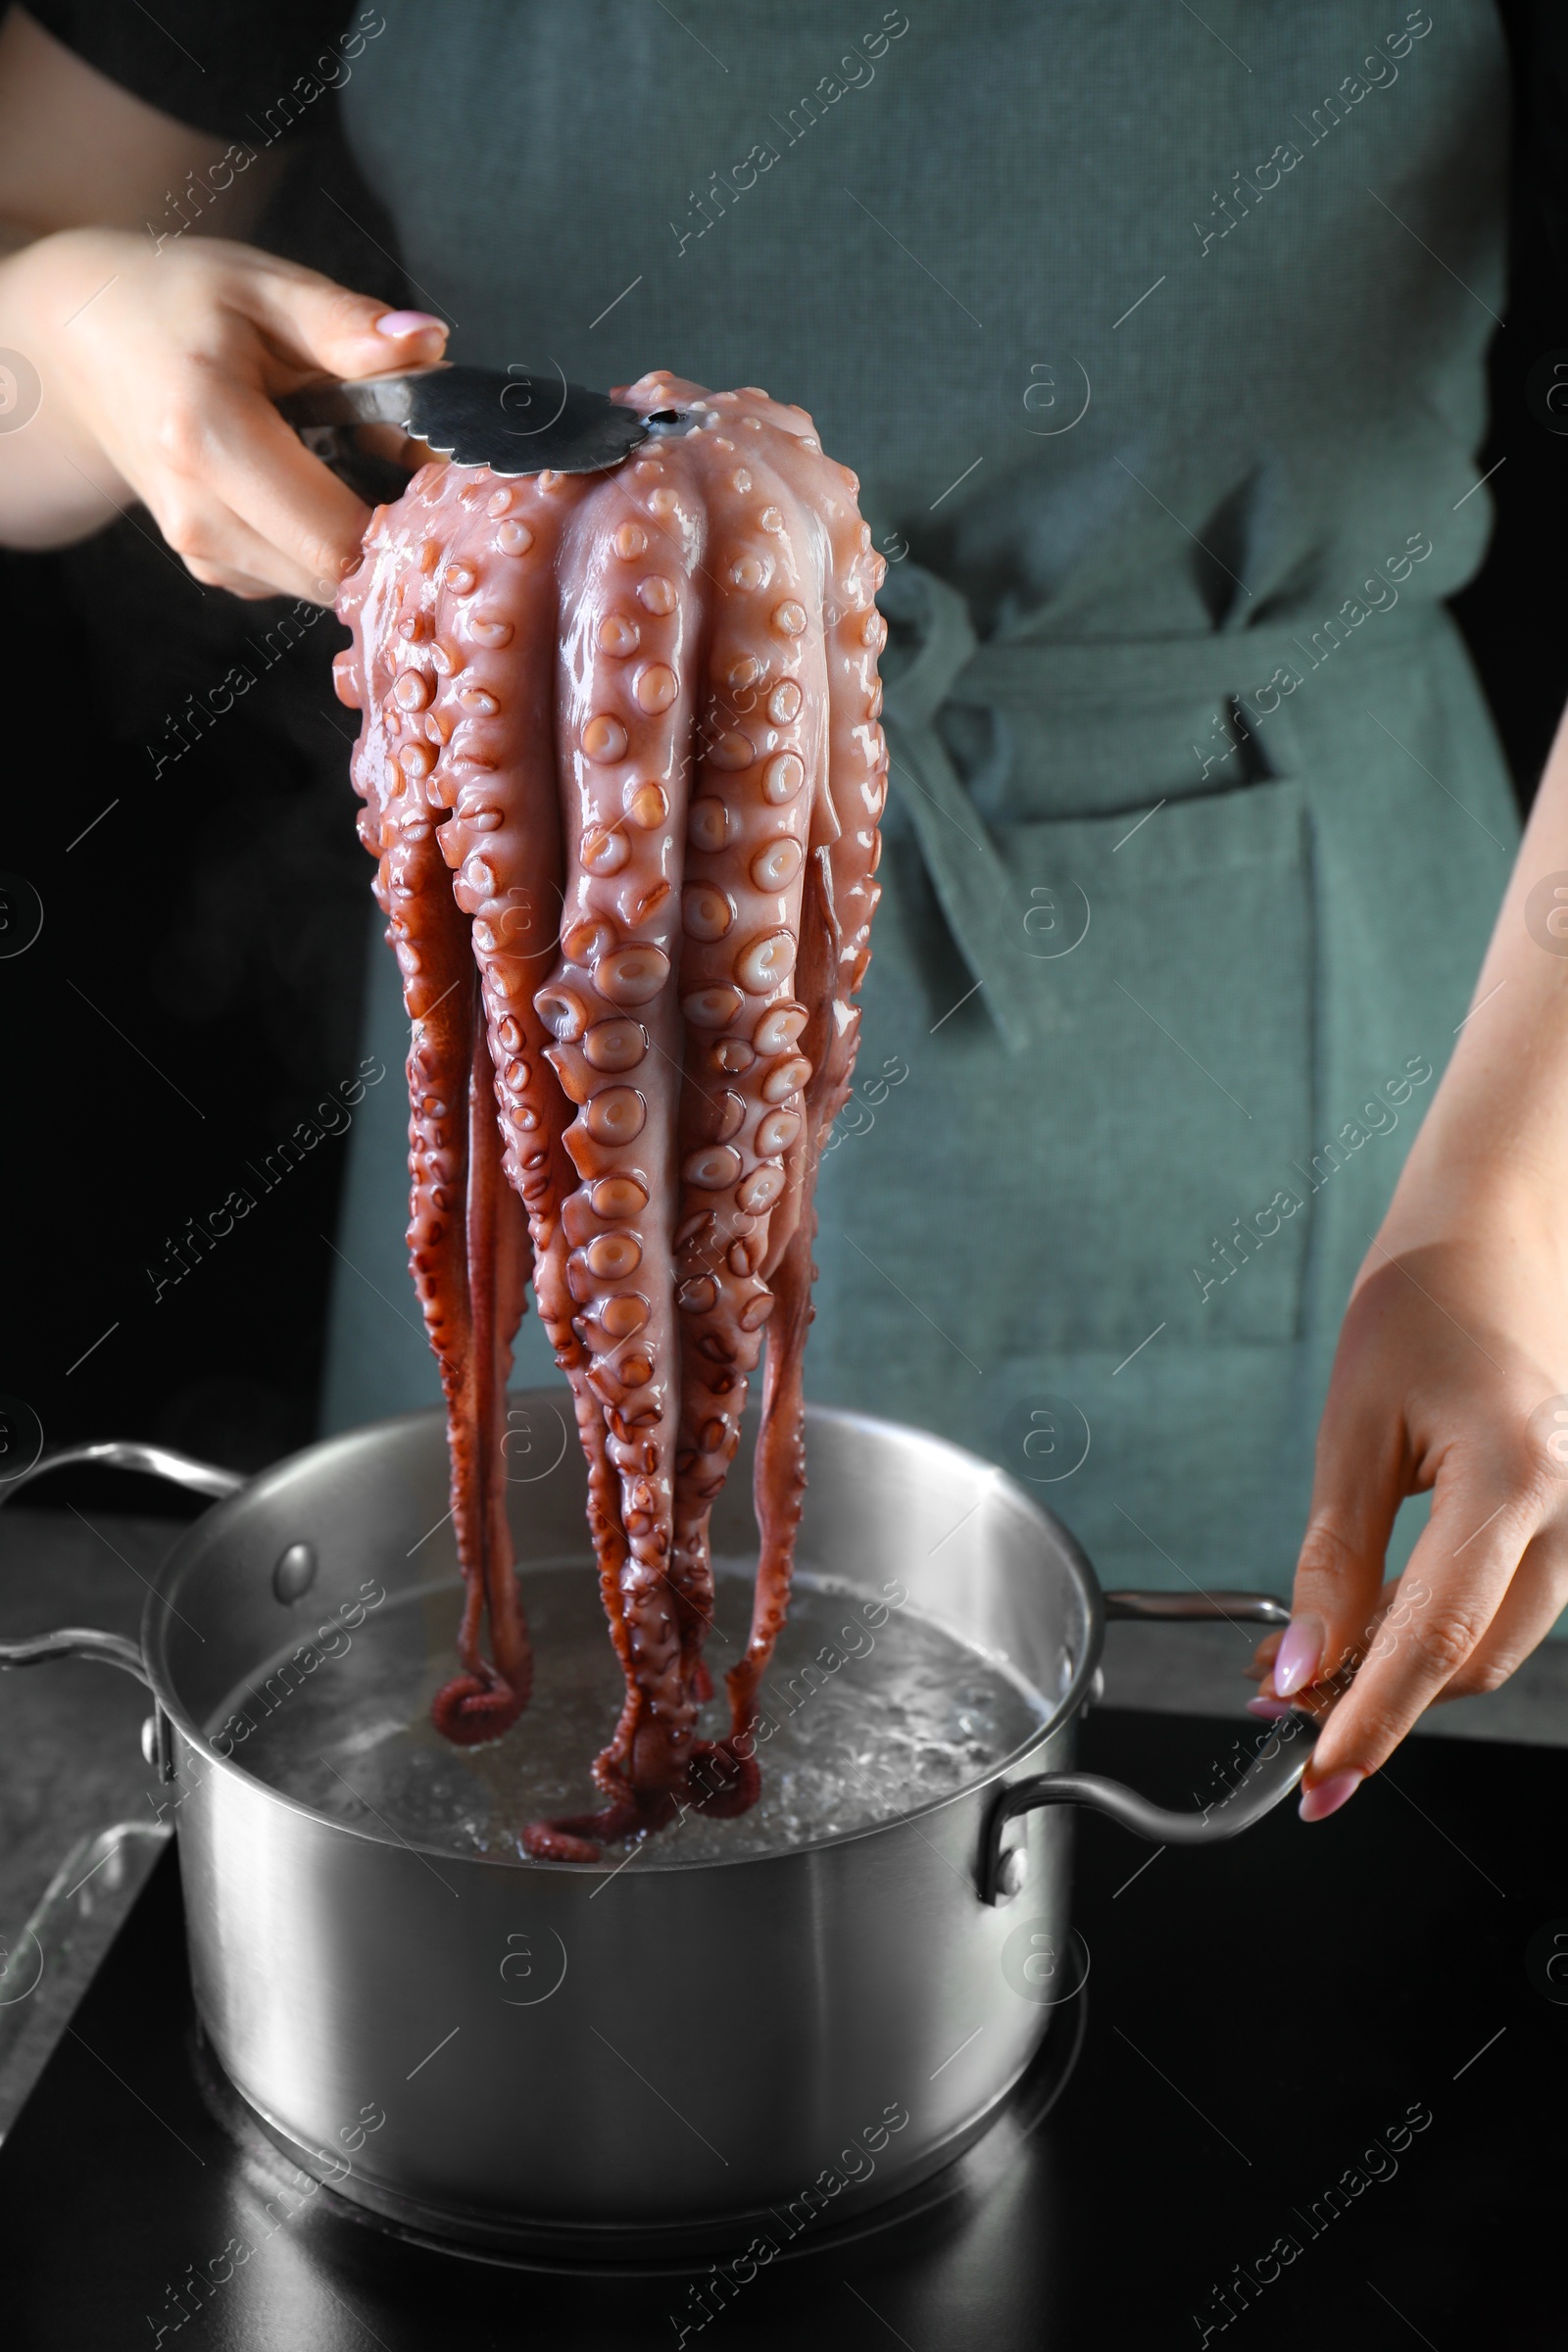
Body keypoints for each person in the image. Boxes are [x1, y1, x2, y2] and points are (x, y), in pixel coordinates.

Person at [2, 0, 1563, 1824]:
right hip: (556, 969)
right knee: (500, 1799)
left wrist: (1498, 1236)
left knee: (1287, 1922)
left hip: (1355, 1051)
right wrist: (67, 317)